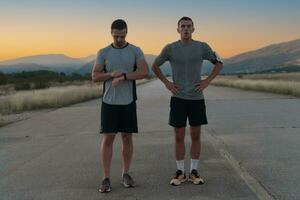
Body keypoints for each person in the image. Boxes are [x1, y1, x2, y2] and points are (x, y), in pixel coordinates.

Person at [152, 16, 223, 186]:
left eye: (188, 26)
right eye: (182, 26)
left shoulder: (202, 47)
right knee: (179, 135)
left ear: (193, 29)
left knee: (196, 134)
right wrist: (167, 83)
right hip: (178, 98)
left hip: (196, 98)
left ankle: (193, 171)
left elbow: (219, 63)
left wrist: (207, 81)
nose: (185, 29)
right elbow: (155, 65)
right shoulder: (170, 48)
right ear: (178, 29)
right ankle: (179, 172)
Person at [92, 19, 149, 193]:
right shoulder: (104, 52)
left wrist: (123, 77)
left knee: (126, 137)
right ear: (111, 33)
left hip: (128, 101)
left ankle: (126, 173)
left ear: (127, 32)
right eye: (116, 36)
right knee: (108, 138)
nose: (119, 39)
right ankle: (106, 178)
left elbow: (144, 72)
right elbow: (95, 76)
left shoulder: (135, 51)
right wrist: (110, 74)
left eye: (122, 35)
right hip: (109, 102)